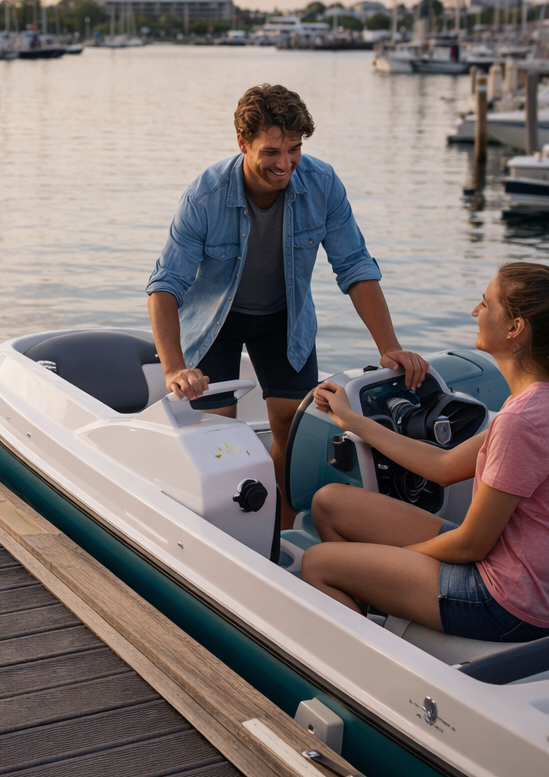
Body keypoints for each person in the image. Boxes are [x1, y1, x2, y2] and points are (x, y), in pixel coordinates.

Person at [146, 83, 429, 526]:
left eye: (294, 149)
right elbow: (165, 286)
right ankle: (221, 528)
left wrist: (388, 345)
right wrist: (174, 368)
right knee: (219, 437)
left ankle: (279, 527)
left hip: (285, 318)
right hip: (214, 323)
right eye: (272, 151)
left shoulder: (323, 184)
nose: (285, 164)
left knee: (291, 430)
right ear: (243, 143)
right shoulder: (203, 196)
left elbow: (354, 265)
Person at [300, 263, 549, 643]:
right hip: (522, 573)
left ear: (516, 329)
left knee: (316, 565)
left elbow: (471, 544)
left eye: (486, 304)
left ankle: (379, 664)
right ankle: (371, 602)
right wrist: (352, 420)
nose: (475, 312)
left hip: (509, 600)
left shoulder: (524, 421)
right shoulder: (548, 398)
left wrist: (409, 557)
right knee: (330, 503)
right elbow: (443, 466)